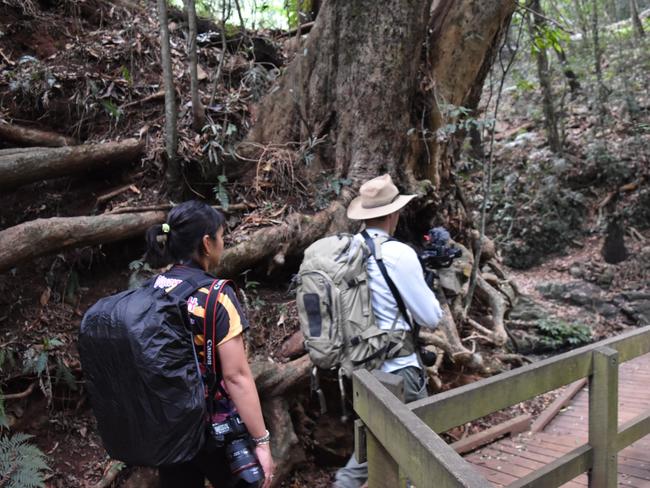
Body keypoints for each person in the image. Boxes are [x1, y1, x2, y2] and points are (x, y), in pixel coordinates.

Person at [143, 200, 276, 488]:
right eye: (221, 235)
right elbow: (236, 376)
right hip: (217, 430)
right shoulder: (216, 297)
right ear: (206, 242)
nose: (223, 241)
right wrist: (262, 442)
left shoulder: (150, 291)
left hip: (171, 429)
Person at [333, 174, 443, 488]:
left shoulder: (345, 250)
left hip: (362, 370)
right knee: (415, 452)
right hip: (399, 371)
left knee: (372, 446)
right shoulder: (398, 254)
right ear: (393, 214)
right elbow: (431, 316)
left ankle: (344, 484)